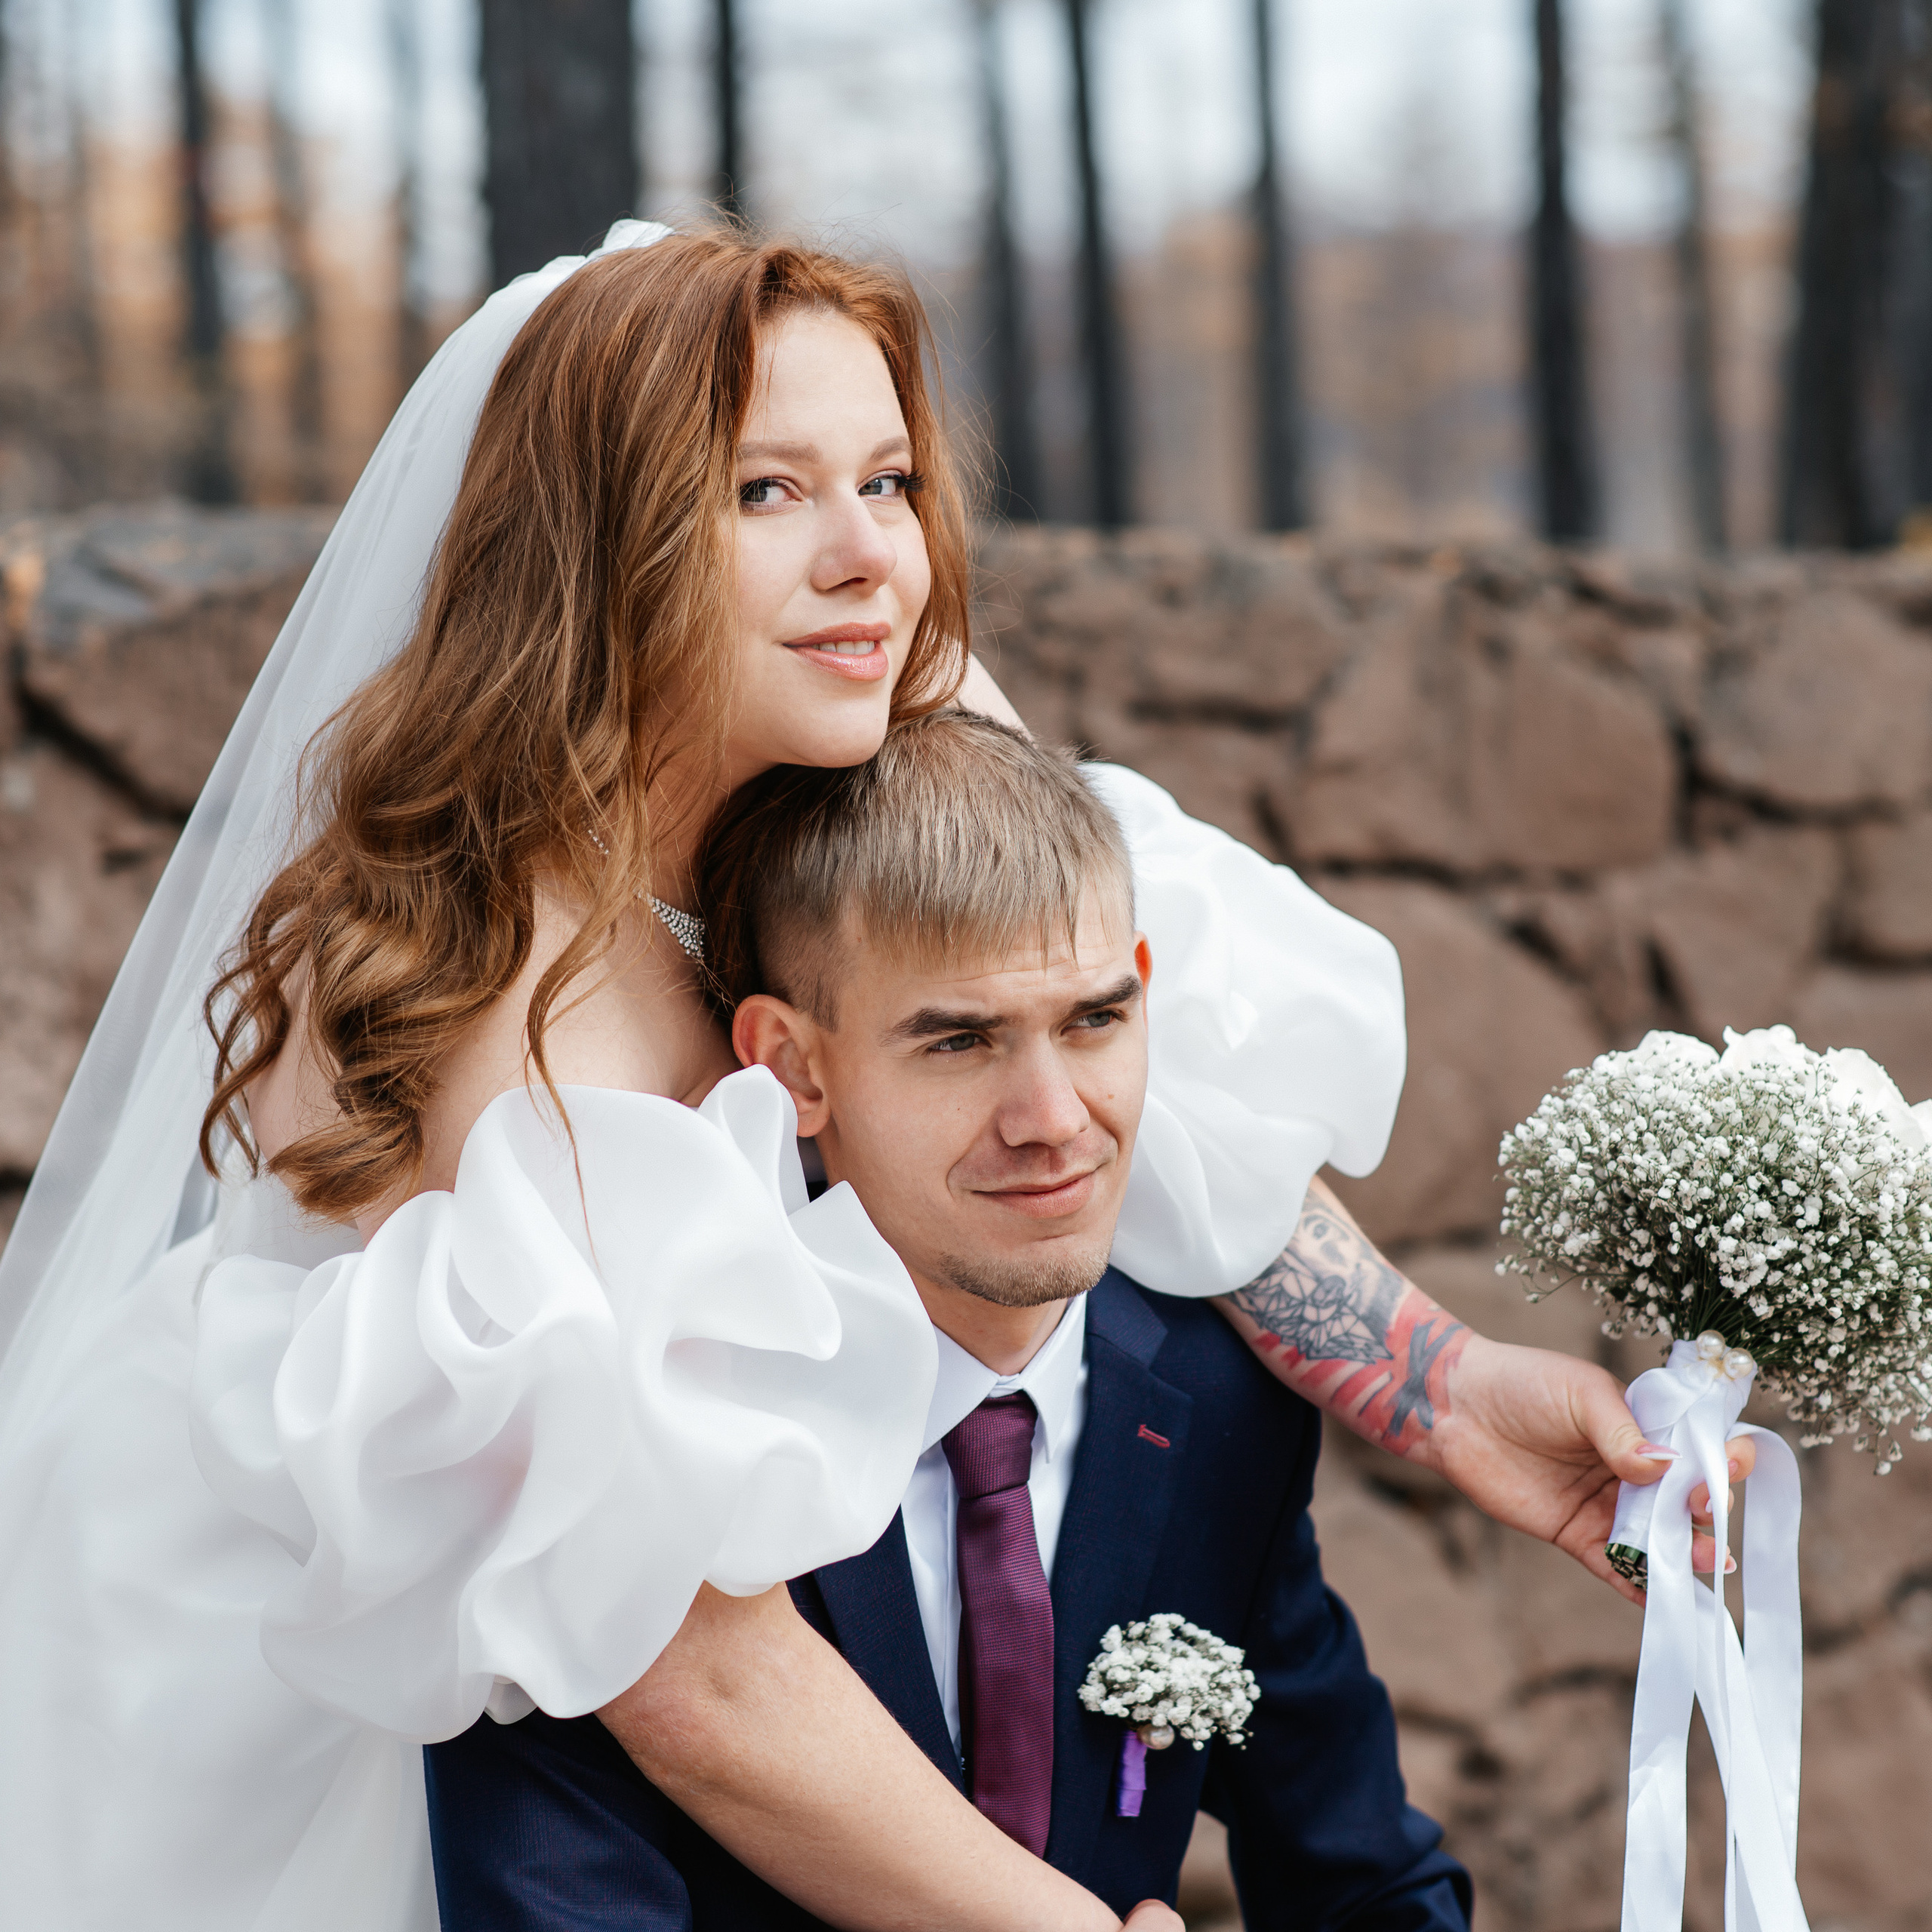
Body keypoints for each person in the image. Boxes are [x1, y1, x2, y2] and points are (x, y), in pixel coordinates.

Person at [0, 220, 1736, 1932]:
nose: (864, 559)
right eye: (763, 492)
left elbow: (1155, 1085)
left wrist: (1432, 1386)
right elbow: (686, 1664)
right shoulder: (517, 995)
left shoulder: (865, 694)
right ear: (603, 540)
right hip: (310, 1698)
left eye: (887, 480)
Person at [424, 708, 1475, 1930]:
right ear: (795, 1070)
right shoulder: (632, 1431)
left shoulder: (1213, 1397)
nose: (1055, 1118)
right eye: (961, 1042)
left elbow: (1378, 1886)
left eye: (1094, 1022)